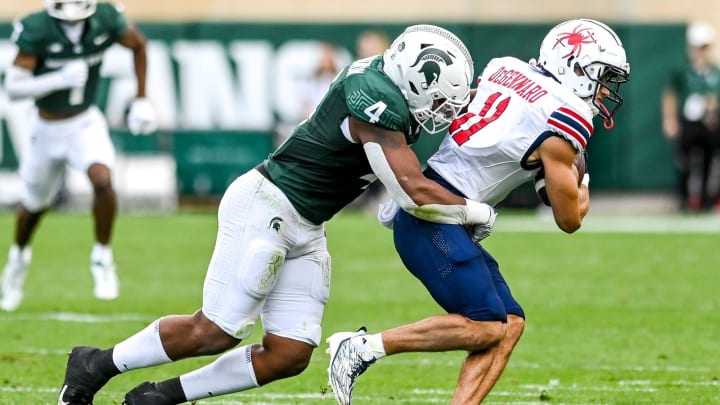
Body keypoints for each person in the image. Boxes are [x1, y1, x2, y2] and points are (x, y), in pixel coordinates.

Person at [57, 24, 498, 405]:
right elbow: (412, 192)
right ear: (413, 78)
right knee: (216, 330)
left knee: (290, 353)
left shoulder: (389, 82)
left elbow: (402, 182)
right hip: (268, 204)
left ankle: (160, 396)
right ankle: (94, 364)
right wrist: (477, 212)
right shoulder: (374, 97)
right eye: (438, 100)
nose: (441, 113)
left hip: (306, 223)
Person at [327, 18, 631, 405]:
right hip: (436, 218)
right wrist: (581, 182)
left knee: (510, 323)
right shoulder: (565, 115)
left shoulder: (507, 67)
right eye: (602, 76)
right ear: (573, 66)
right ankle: (362, 348)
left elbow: (518, 144)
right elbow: (569, 219)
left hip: (440, 207)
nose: (606, 88)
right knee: (488, 326)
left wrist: (548, 171)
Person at [0, 0, 157, 312]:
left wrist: (141, 98)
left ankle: (102, 256)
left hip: (84, 122)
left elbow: (138, 44)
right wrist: (57, 80)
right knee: (32, 208)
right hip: (45, 127)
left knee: (102, 180)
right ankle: (18, 259)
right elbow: (13, 88)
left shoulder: (105, 18)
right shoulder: (37, 27)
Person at [661, 21, 720, 212]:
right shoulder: (682, 71)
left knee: (709, 163)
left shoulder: (715, 73)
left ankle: (705, 201)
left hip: (710, 124)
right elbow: (670, 95)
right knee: (684, 163)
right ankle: (684, 200)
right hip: (688, 124)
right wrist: (669, 120)